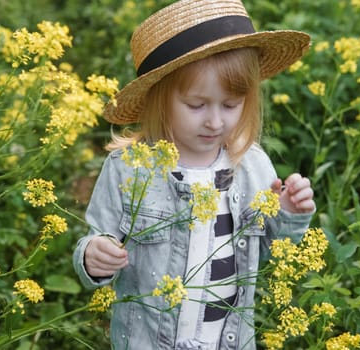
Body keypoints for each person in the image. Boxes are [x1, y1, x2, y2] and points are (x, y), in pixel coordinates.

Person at [73, 0, 315, 349]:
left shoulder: (252, 166)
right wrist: (95, 256)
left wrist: (289, 215)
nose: (215, 121)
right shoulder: (129, 168)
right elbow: (98, 239)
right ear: (159, 99)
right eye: (196, 105)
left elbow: (271, 253)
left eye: (231, 105)